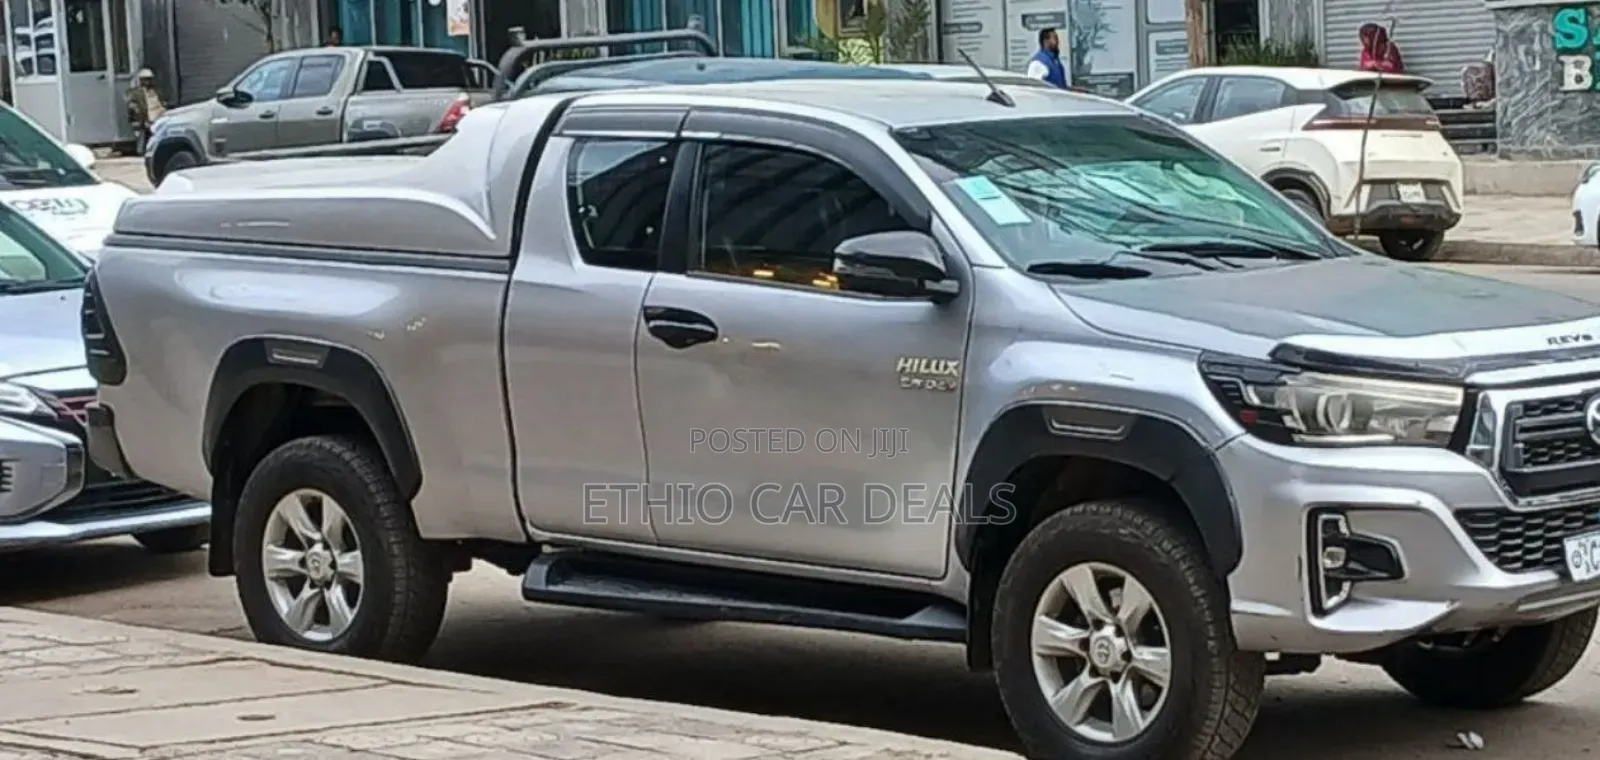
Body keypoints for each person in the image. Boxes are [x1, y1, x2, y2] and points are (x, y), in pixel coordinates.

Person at [125, 68, 165, 156]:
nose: (148, 81)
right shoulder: (136, 92)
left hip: (158, 116)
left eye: (149, 79)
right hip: (145, 117)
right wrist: (137, 114)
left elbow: (162, 102)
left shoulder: (156, 91)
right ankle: (141, 151)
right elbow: (132, 104)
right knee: (142, 136)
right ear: (141, 80)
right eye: (145, 79)